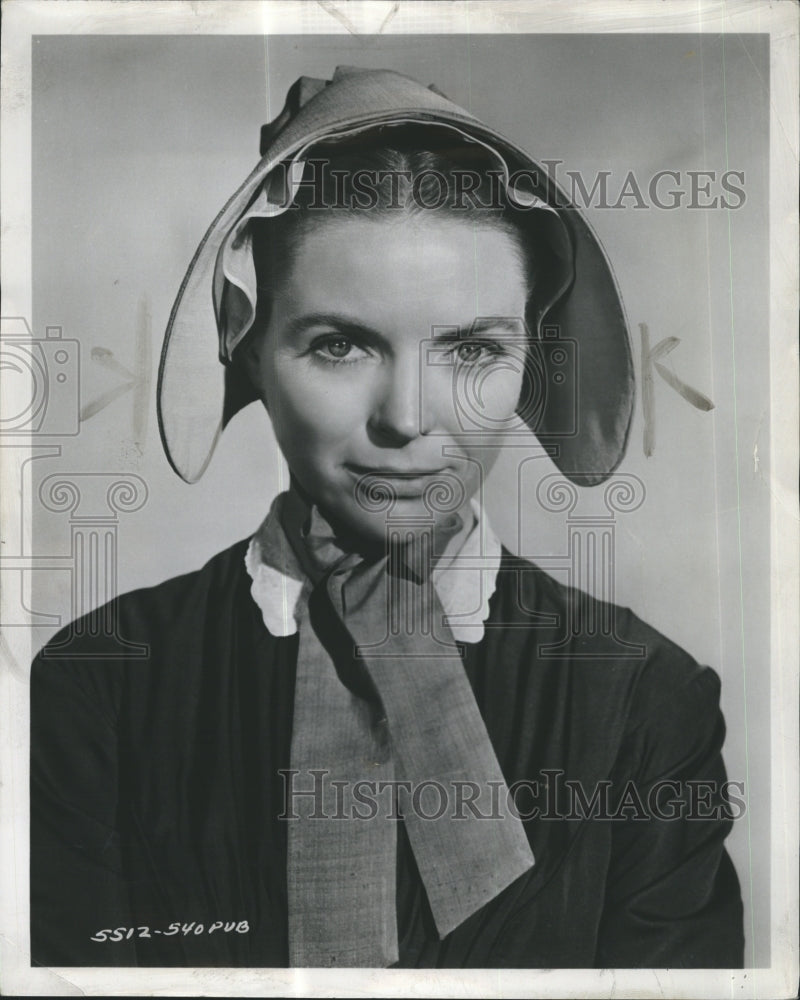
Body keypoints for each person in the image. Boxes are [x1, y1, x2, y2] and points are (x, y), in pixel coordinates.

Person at [30, 66, 744, 968]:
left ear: (532, 356)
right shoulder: (99, 688)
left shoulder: (646, 701)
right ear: (250, 350)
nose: (407, 418)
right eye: (339, 344)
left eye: (473, 348)